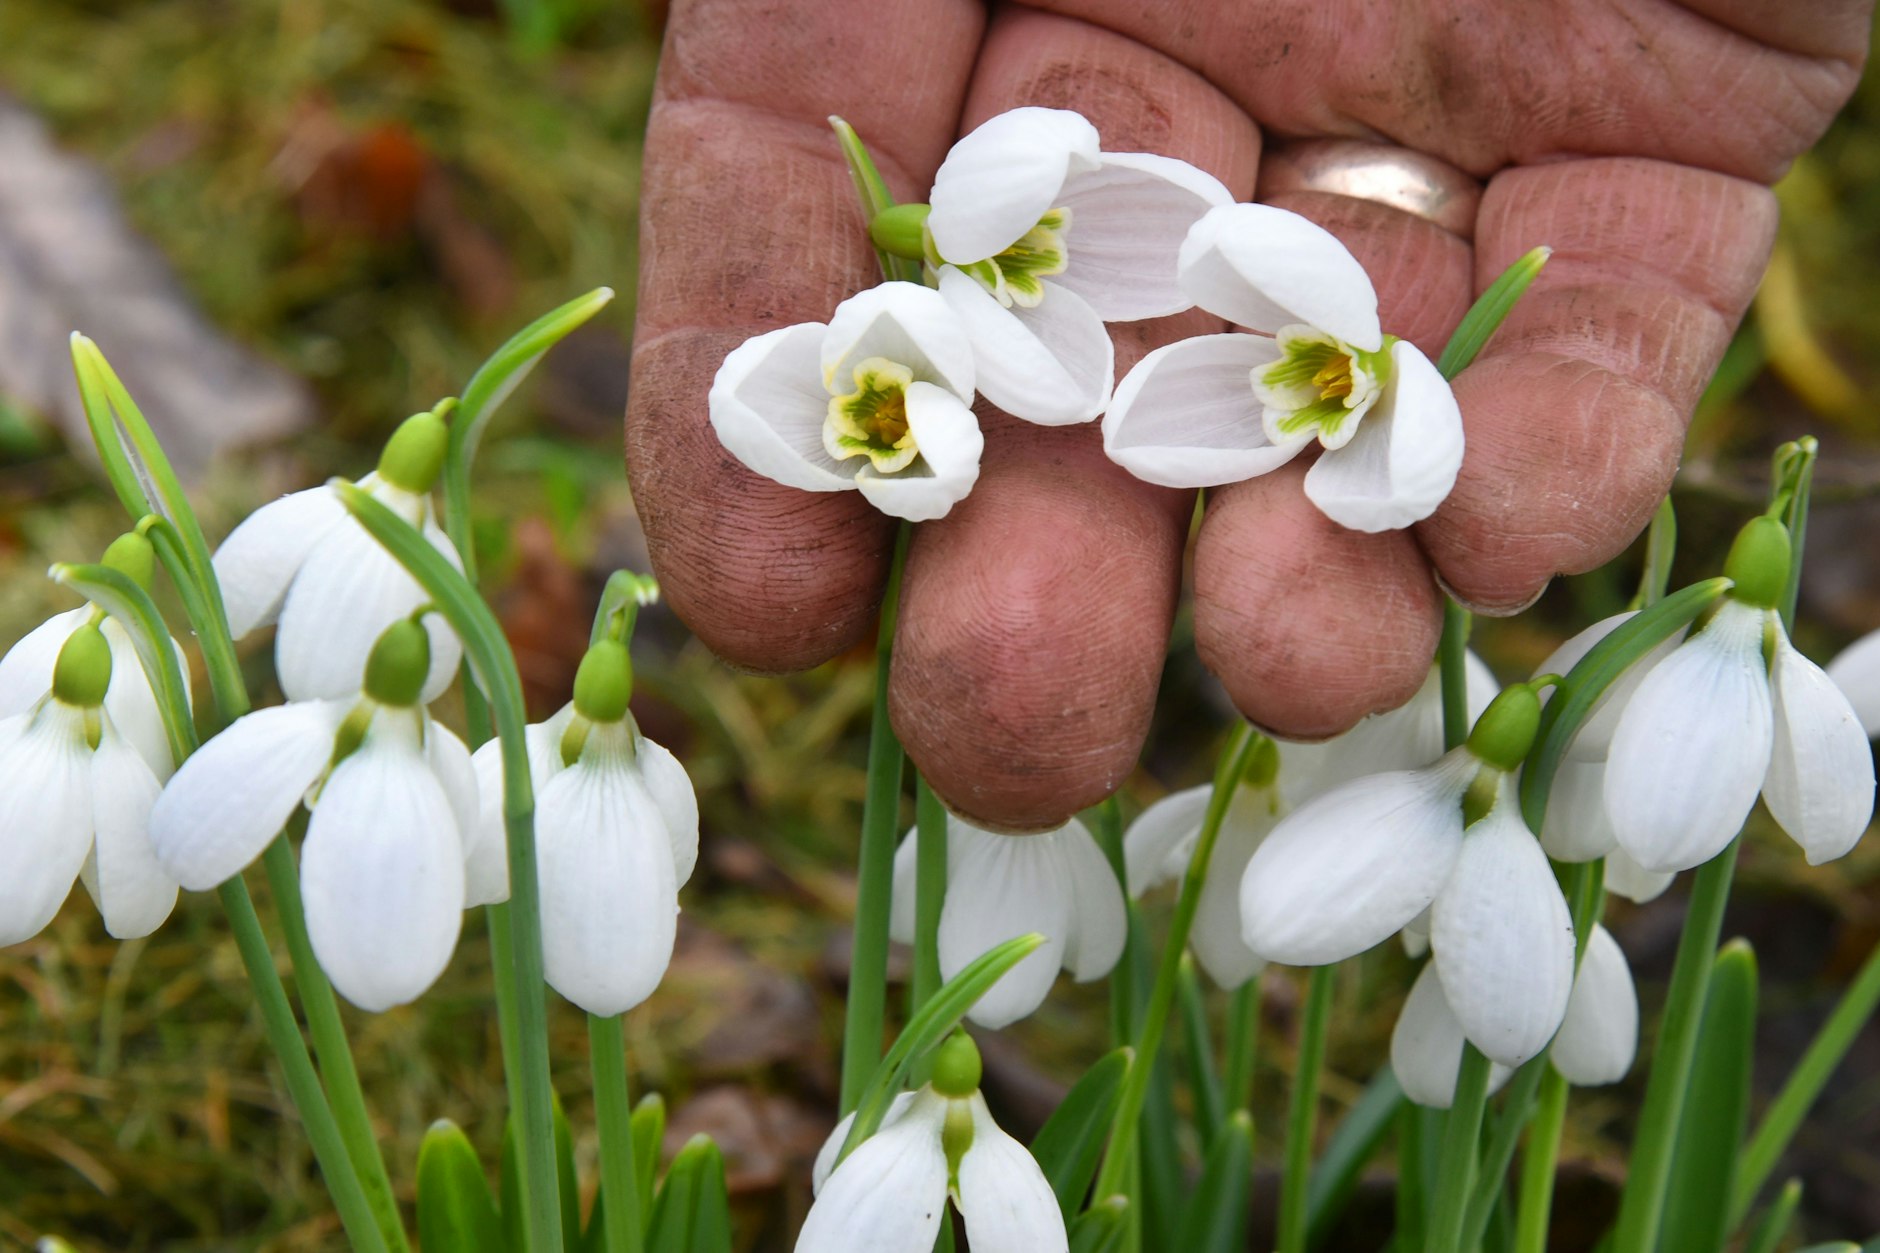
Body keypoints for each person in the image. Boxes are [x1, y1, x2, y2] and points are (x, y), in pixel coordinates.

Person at [624, 0, 1873, 831]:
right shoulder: (974, 325)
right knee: (1001, 648)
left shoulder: (1243, 368)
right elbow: (1103, 362)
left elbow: (1143, 311)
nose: (1329, 386)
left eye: (1330, 380)